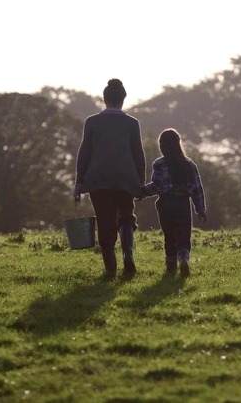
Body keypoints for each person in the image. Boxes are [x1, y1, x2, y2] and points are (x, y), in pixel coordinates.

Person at [74, 79, 146, 278]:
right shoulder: (132, 123)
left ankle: (110, 266)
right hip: (126, 177)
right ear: (123, 99)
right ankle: (128, 254)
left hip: (99, 179)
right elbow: (138, 154)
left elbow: (84, 153)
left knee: (105, 221)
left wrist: (79, 182)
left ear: (104, 99)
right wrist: (140, 181)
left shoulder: (92, 122)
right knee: (126, 216)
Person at [140, 128, 207, 277]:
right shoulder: (189, 164)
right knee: (184, 235)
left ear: (161, 146)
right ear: (178, 144)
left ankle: (170, 268)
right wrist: (200, 209)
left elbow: (156, 186)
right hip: (182, 204)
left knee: (169, 236)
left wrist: (142, 192)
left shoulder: (159, 164)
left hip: (165, 205)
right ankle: (183, 258)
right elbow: (197, 188)